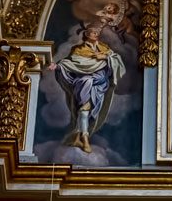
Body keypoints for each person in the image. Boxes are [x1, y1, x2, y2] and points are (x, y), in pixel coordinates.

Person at [49, 23, 125, 153]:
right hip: (84, 82)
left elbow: (116, 60)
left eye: (97, 32)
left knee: (84, 111)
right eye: (93, 32)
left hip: (99, 84)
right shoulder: (78, 49)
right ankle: (84, 139)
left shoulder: (104, 48)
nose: (96, 34)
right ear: (87, 34)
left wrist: (105, 57)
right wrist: (58, 66)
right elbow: (72, 62)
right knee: (84, 108)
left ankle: (78, 137)